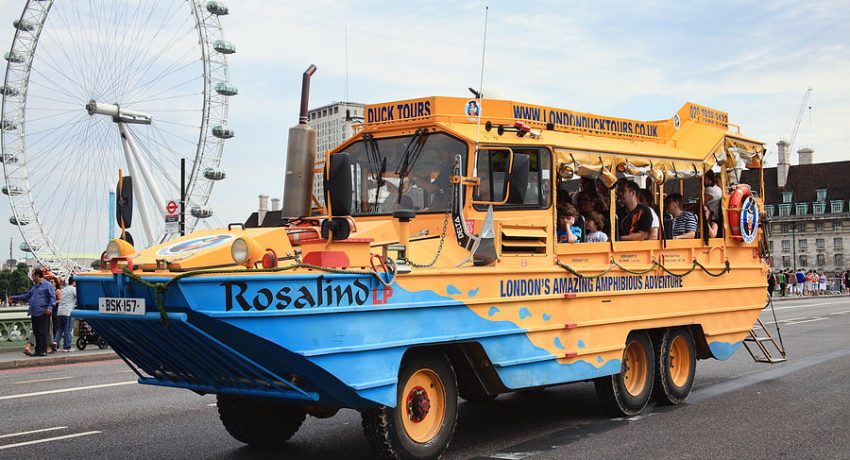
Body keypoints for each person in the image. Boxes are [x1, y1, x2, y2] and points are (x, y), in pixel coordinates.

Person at [8, 269, 55, 357]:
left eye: (33, 275)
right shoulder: (35, 287)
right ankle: (38, 351)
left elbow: (52, 298)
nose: (32, 277)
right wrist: (15, 297)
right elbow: (27, 295)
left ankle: (43, 350)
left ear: (37, 276)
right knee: (36, 332)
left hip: (43, 312)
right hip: (34, 312)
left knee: (43, 332)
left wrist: (49, 308)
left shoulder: (47, 285)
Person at [54, 276, 77, 352]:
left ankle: (55, 342)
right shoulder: (73, 289)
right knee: (67, 330)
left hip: (60, 312)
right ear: (74, 282)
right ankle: (67, 347)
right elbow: (79, 297)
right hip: (68, 312)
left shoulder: (63, 289)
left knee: (60, 328)